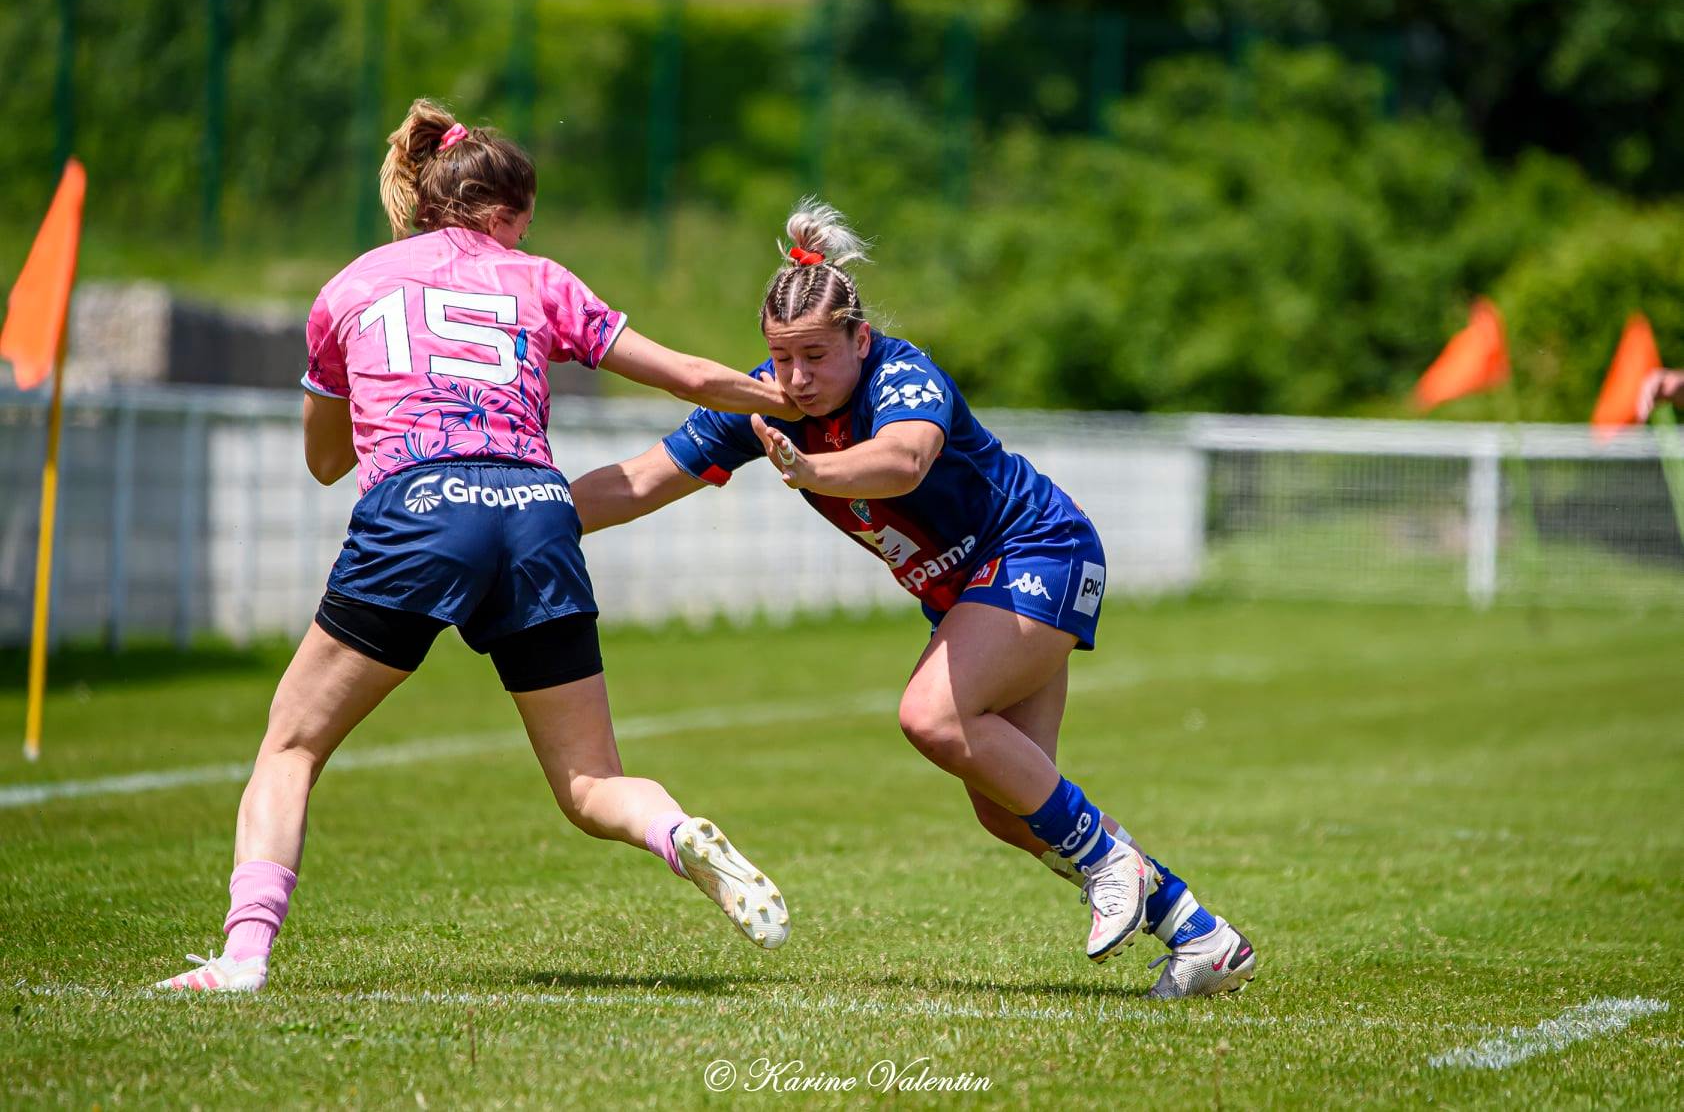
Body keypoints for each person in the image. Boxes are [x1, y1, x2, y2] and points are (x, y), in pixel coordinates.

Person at [152, 99, 795, 993]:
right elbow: (690, 376)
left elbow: (325, 462)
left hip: (420, 509)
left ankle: (243, 957)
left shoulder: (351, 286)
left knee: (292, 745)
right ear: (508, 214)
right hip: (536, 509)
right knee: (589, 782)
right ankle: (676, 831)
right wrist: (790, 401)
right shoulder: (540, 279)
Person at [568, 200, 1257, 998]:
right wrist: (529, 516)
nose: (796, 378)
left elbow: (904, 459)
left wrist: (811, 470)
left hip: (1041, 552)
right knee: (1008, 808)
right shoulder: (766, 405)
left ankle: (1112, 864)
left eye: (817, 356)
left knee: (929, 716)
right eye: (781, 358)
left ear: (861, 340)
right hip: (976, 591)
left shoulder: (902, 375)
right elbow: (644, 477)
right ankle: (1198, 934)